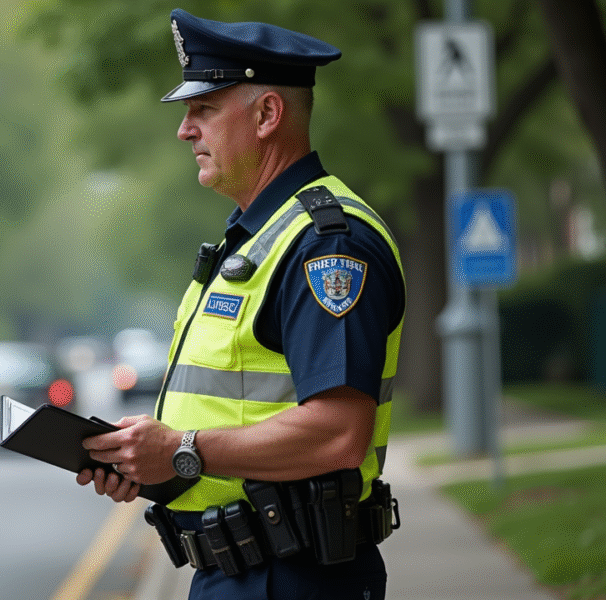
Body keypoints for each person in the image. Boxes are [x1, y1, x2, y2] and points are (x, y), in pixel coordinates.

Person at [76, 8, 405, 600]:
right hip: (245, 573)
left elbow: (338, 434)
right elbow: (236, 410)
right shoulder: (259, 236)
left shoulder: (326, 244)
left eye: (203, 109)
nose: (185, 130)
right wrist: (146, 459)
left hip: (294, 577)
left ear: (267, 115)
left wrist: (180, 451)